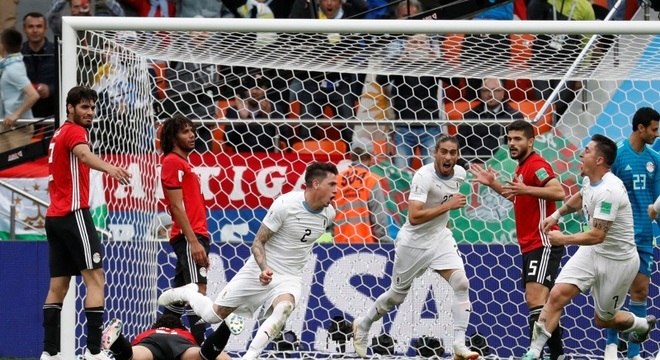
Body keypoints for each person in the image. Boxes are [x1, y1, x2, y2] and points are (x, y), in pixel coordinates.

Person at [158, 162, 338, 360]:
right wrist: (264, 268)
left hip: (290, 276)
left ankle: (250, 356)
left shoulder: (328, 215)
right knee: (212, 316)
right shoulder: (285, 205)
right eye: (332, 185)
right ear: (315, 184)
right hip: (260, 270)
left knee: (284, 308)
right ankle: (188, 292)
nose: (336, 191)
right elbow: (258, 242)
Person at [520, 134, 657, 360]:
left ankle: (641, 325)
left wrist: (563, 238)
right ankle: (533, 352)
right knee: (556, 295)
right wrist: (556, 214)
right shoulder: (589, 179)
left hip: (618, 261)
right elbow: (581, 195)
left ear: (600, 160)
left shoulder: (610, 190)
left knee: (603, 319)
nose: (582, 153)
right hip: (592, 252)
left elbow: (597, 235)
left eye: (587, 150)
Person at [352, 135, 480, 360]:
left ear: (458, 155)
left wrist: (443, 219)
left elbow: (441, 206)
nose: (448, 157)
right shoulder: (423, 176)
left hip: (440, 238)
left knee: (461, 283)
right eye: (444, 152)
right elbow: (414, 216)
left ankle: (459, 345)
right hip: (414, 243)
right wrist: (447, 206)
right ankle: (363, 324)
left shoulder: (460, 174)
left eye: (453, 153)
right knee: (396, 297)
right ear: (435, 153)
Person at [42, 86, 131, 360]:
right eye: (84, 107)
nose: (90, 112)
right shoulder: (75, 132)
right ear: (70, 108)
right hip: (74, 214)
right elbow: (83, 155)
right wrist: (111, 168)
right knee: (95, 279)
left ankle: (50, 353)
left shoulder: (58, 133)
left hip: (54, 217)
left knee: (58, 286)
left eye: (92, 107)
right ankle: (94, 352)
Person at [469, 119, 565, 359]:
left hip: (544, 241)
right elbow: (520, 198)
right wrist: (493, 184)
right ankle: (557, 354)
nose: (512, 143)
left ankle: (539, 354)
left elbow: (558, 192)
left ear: (530, 141)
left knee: (536, 299)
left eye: (518, 139)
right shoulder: (521, 167)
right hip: (530, 243)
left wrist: (527, 189)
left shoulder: (536, 165)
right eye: (509, 139)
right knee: (543, 303)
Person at [605, 107, 660, 360]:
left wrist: (655, 212)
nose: (656, 134)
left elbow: (657, 199)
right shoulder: (617, 155)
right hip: (620, 236)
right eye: (654, 129)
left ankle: (634, 354)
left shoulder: (655, 159)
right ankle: (612, 348)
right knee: (614, 292)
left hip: (644, 235)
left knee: (640, 292)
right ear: (641, 128)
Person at [159, 114, 211, 345]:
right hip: (189, 237)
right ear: (172, 137)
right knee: (197, 292)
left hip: (194, 235)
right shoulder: (172, 162)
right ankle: (201, 347)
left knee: (179, 298)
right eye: (185, 131)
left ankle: (158, 339)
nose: (192, 135)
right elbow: (176, 206)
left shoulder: (183, 164)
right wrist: (193, 241)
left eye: (193, 130)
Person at [377, 0, 445, 171]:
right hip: (403, 128)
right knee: (401, 176)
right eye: (414, 43)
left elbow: (455, 81)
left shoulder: (433, 64)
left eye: (421, 43)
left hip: (430, 127)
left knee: (432, 174)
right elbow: (381, 80)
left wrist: (434, 59)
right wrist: (402, 58)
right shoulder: (400, 64)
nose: (417, 47)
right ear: (406, 45)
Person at [333, 137, 390, 243]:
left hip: (339, 244)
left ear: (351, 156)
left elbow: (329, 214)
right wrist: (384, 243)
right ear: (371, 157)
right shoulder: (371, 179)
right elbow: (379, 218)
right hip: (365, 245)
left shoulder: (337, 179)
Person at [101, 314, 231, 360]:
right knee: (201, 356)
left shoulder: (149, 332)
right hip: (181, 344)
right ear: (181, 327)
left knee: (132, 356)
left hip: (151, 343)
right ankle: (226, 327)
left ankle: (118, 341)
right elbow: (223, 358)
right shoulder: (184, 333)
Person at [457, 78, 524, 164]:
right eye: (485, 91)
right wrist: (470, 164)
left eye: (495, 90)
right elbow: (460, 145)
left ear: (503, 93)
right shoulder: (469, 116)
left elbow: (519, 146)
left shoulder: (514, 116)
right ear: (480, 93)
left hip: (504, 166)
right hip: (474, 167)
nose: (490, 94)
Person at [1, 28, 40, 153]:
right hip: (4, 125)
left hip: (17, 127)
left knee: (15, 167)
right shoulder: (7, 64)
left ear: (3, 45)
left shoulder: (14, 68)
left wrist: (16, 115)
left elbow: (33, 95)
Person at [21, 12, 57, 119]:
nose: (35, 30)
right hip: (24, 114)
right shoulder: (17, 54)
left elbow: (67, 80)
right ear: (24, 29)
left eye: (39, 26)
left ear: (45, 29)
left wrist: (50, 89)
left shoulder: (58, 52)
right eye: (30, 26)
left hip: (52, 113)